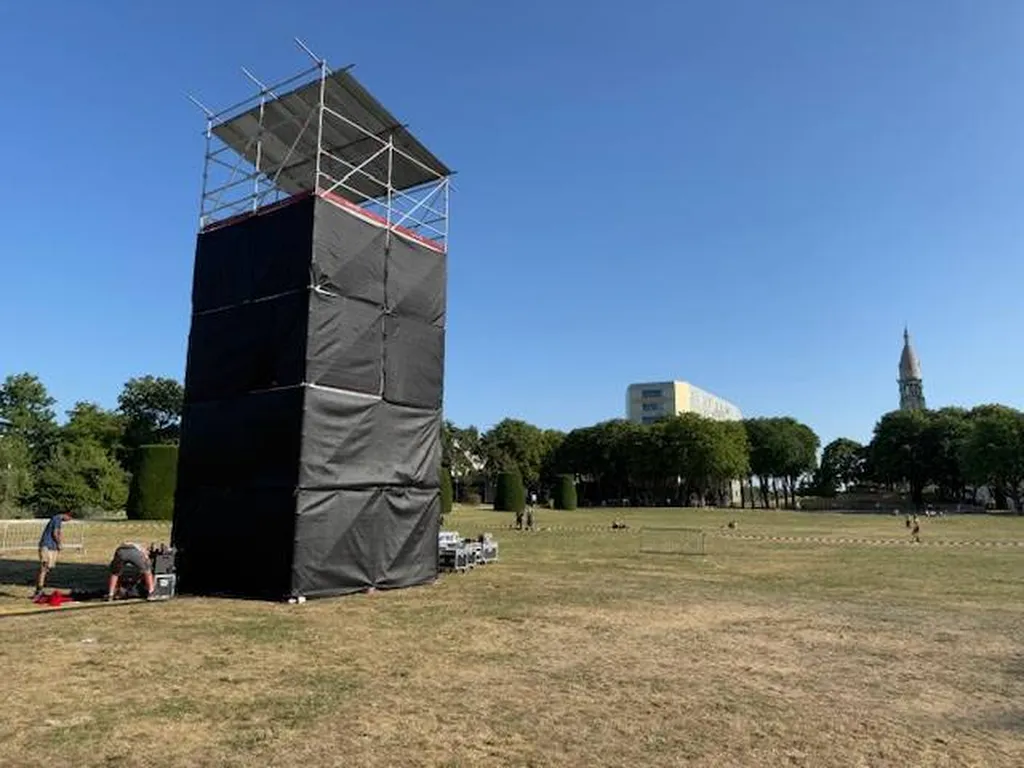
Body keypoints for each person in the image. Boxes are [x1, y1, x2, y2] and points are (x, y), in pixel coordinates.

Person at [35, 511, 72, 597]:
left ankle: (40, 588)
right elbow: (55, 533)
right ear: (66, 515)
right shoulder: (57, 519)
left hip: (50, 546)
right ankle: (39, 590)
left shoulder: (56, 519)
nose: (68, 520)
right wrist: (59, 543)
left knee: (46, 569)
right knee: (44, 567)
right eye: (69, 518)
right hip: (47, 546)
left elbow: (57, 533)